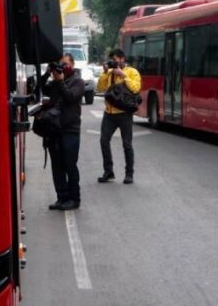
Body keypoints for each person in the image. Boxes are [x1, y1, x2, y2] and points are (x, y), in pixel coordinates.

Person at [39, 53, 85, 210]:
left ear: (72, 64)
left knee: (70, 165)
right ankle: (61, 197)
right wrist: (47, 73)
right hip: (54, 130)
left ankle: (74, 199)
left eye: (65, 63)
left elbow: (70, 98)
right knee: (57, 166)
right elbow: (40, 89)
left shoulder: (78, 81)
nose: (62, 66)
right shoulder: (55, 82)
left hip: (70, 130)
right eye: (60, 64)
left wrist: (59, 81)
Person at [95, 48, 141, 184]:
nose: (114, 63)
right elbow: (100, 87)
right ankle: (108, 172)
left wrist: (123, 75)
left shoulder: (132, 72)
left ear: (122, 59)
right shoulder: (109, 73)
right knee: (104, 141)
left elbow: (136, 88)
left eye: (115, 60)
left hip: (124, 114)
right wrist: (104, 73)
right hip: (109, 113)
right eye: (112, 60)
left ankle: (129, 174)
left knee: (127, 144)